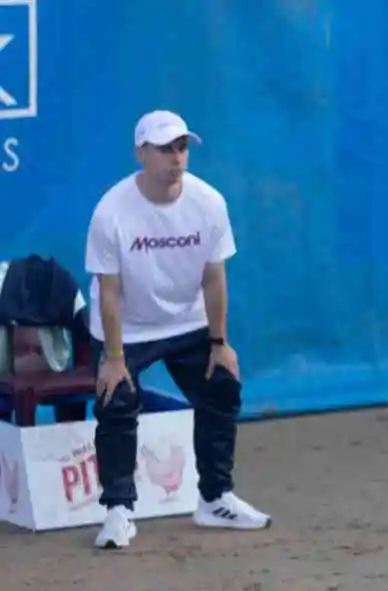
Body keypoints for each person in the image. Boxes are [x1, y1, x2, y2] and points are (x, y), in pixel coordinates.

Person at [84, 109, 271, 550]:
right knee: (117, 399)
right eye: (165, 148)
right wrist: (113, 360)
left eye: (182, 147)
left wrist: (219, 343)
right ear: (140, 153)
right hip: (126, 328)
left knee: (222, 386)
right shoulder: (111, 212)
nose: (176, 157)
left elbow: (214, 277)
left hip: (188, 321)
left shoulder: (208, 204)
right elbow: (108, 291)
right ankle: (118, 511)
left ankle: (215, 498)